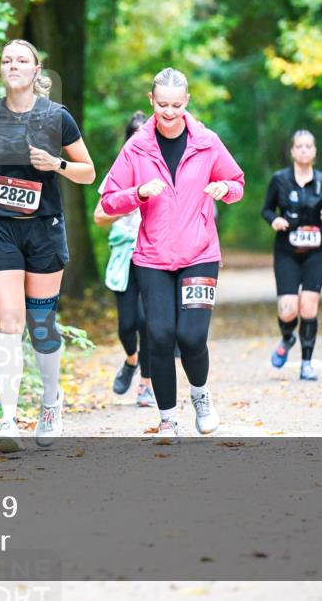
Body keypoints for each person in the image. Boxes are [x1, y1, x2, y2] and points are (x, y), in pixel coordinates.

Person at [0, 40, 95, 452]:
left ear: (37, 71)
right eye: (6, 60)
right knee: (8, 320)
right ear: (0, 69)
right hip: (0, 226)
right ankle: (7, 423)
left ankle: (51, 401)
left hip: (44, 228)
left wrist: (55, 164)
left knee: (40, 327)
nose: (13, 65)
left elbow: (88, 172)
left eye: (22, 60)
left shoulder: (56, 118)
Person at [99, 67, 244, 438]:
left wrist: (224, 188)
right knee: (160, 335)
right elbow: (109, 200)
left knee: (192, 337)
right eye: (162, 104)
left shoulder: (208, 142)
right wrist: (138, 194)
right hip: (153, 257)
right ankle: (167, 418)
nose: (168, 112)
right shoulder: (137, 146)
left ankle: (200, 395)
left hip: (200, 253)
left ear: (187, 102)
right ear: (151, 101)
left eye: (176, 105)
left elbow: (238, 183)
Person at [261, 130, 322, 381]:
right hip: (287, 252)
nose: (305, 150)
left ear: (314, 151)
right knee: (287, 310)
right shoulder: (280, 180)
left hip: (317, 253)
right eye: (300, 146)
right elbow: (266, 210)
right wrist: (275, 220)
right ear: (293, 151)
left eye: (309, 146)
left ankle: (306, 363)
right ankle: (288, 337)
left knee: (308, 305)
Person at [93, 111, 156, 407]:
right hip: (124, 257)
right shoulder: (119, 172)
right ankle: (132, 360)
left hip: (154, 255)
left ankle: (146, 385)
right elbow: (99, 215)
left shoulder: (162, 169)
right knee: (127, 325)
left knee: (148, 321)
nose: (139, 137)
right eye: (134, 133)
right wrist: (128, 204)